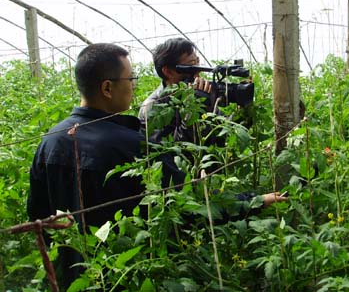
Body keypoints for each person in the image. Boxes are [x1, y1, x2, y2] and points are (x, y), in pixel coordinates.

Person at [27, 43, 285, 288]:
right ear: (107, 88)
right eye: (131, 80)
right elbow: (189, 203)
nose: (134, 87)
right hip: (129, 277)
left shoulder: (49, 141)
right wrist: (254, 200)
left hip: (72, 279)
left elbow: (38, 217)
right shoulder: (130, 145)